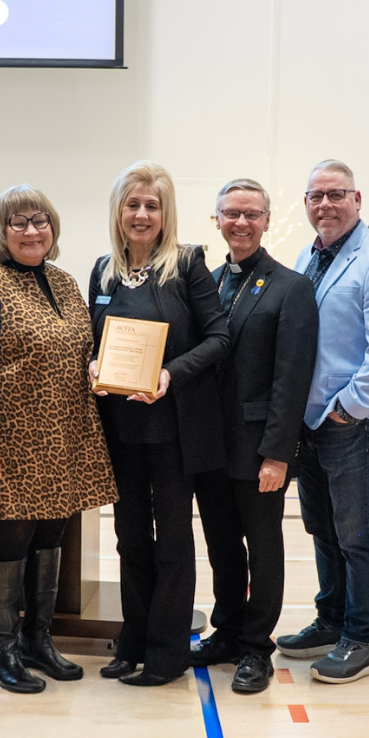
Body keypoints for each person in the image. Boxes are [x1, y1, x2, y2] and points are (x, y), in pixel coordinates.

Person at [0, 184, 118, 693]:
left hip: (68, 430)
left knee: (53, 536)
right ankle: (4, 647)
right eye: (19, 222)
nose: (32, 231)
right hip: (15, 436)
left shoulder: (67, 282)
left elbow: (85, 348)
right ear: (1, 232)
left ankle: (38, 639)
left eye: (40, 221)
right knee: (14, 537)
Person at [88, 160, 228, 687]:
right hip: (120, 429)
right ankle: (133, 642)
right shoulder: (103, 269)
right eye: (133, 204)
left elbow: (219, 339)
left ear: (165, 213)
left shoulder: (188, 264)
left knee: (171, 541)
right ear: (118, 211)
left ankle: (167, 654)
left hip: (174, 429)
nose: (142, 214)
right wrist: (93, 365)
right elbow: (93, 340)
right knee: (129, 539)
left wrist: (170, 373)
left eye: (152, 205)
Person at [275, 160, 369, 684]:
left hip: (352, 421)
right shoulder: (307, 257)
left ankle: (362, 638)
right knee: (324, 529)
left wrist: (347, 408)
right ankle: (331, 620)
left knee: (357, 535)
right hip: (312, 422)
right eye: (316, 196)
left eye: (336, 194)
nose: (325, 204)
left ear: (358, 200)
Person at [189, 178, 318, 695]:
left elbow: (292, 378)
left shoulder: (291, 287)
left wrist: (278, 454)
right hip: (209, 446)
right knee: (221, 545)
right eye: (231, 213)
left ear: (267, 220)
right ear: (216, 220)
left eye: (251, 214)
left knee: (262, 548)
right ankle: (225, 631)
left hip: (258, 446)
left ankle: (255, 648)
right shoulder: (207, 281)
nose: (240, 222)